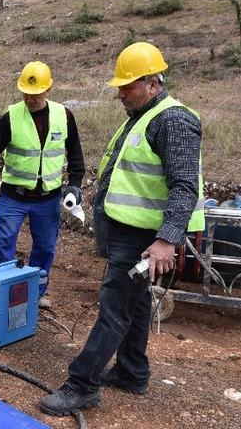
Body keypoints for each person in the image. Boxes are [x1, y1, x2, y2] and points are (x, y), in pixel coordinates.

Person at [39, 42, 204, 415]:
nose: (120, 94)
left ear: (152, 83)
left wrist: (166, 240)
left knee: (114, 306)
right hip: (132, 233)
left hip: (146, 238)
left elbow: (184, 187)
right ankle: (132, 371)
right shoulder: (144, 116)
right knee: (136, 302)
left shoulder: (173, 121)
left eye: (127, 87)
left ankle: (82, 385)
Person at [0, 61, 85, 309]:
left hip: (48, 199)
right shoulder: (12, 117)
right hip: (14, 197)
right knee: (3, 244)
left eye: (36, 93)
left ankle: (35, 294)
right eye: (26, 93)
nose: (30, 99)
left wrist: (75, 184)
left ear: (49, 89)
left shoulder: (64, 116)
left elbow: (75, 154)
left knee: (45, 248)